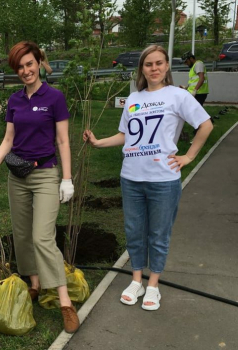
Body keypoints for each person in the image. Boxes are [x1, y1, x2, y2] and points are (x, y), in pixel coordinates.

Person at [83, 45, 213, 311]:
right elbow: (125, 135)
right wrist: (99, 142)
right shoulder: (134, 99)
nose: (154, 68)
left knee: (158, 233)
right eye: (148, 64)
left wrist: (188, 157)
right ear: (141, 69)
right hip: (131, 178)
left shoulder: (178, 96)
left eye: (159, 63)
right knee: (134, 232)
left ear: (166, 66)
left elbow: (206, 125)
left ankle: (153, 284)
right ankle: (136, 279)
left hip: (163, 180)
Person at [0, 41, 79, 333]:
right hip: (17, 176)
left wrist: (67, 178)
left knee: (42, 237)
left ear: (39, 63)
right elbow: (8, 138)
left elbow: (62, 141)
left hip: (45, 174)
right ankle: (34, 283)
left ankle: (64, 302)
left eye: (29, 64)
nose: (25, 71)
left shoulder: (54, 97)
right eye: (20, 67)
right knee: (22, 234)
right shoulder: (14, 100)